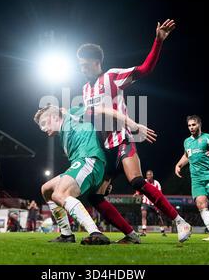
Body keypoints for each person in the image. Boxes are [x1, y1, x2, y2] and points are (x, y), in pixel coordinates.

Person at [77, 18, 192, 242]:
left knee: (136, 181)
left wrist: (158, 41)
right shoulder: (84, 89)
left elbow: (144, 69)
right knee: (95, 197)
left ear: (95, 63)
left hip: (122, 139)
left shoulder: (110, 77)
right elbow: (93, 118)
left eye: (83, 65)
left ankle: (181, 222)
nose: (80, 69)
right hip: (104, 148)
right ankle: (131, 234)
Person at [35, 105, 155, 245]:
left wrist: (134, 125)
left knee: (59, 194)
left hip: (90, 161)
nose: (42, 128)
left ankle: (95, 232)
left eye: (44, 123)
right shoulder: (64, 131)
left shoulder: (73, 114)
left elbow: (105, 109)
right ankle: (66, 234)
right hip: (83, 164)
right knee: (46, 189)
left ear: (55, 117)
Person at [134, 170, 167, 237]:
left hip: (154, 203)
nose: (148, 176)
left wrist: (157, 203)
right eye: (147, 175)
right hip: (145, 202)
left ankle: (162, 231)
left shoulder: (157, 183)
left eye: (150, 175)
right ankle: (144, 231)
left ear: (152, 175)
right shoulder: (144, 182)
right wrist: (137, 193)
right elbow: (139, 189)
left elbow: (160, 193)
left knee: (159, 217)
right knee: (143, 215)